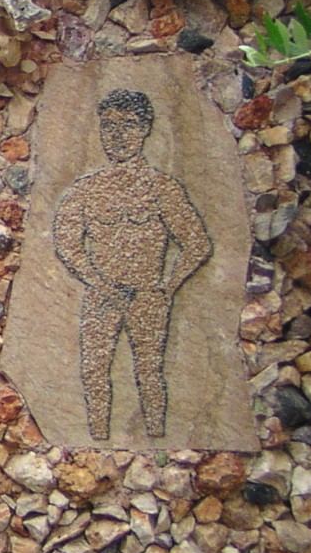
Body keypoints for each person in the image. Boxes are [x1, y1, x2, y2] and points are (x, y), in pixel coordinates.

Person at [52, 89, 211, 440]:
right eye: (109, 126)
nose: (118, 136)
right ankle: (96, 439)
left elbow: (197, 243)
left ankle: (156, 439)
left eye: (128, 125)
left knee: (149, 371)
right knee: (94, 370)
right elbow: (66, 241)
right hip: (101, 296)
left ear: (145, 129)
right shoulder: (85, 190)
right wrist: (96, 281)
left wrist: (167, 288)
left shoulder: (162, 188)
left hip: (147, 297)